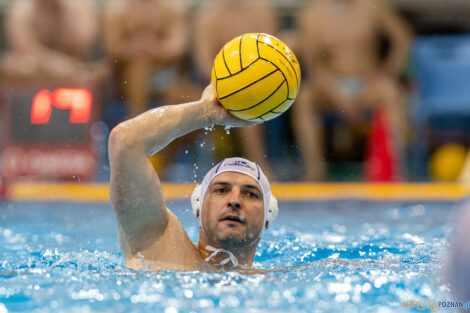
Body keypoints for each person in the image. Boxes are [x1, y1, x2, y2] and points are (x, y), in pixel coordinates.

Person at [108, 85, 278, 272]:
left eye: (251, 194)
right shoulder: (159, 245)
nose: (235, 201)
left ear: (268, 217)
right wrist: (206, 112)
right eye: (221, 190)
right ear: (198, 207)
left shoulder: (279, 282)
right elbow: (125, 142)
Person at [294, 0, 412, 180]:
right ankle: (314, 170)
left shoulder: (372, 6)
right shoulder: (312, 15)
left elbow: (402, 36)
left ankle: (393, 168)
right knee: (305, 98)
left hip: (368, 83)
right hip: (330, 85)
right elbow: (315, 65)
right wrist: (336, 94)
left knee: (389, 92)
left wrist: (390, 70)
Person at [193, 0, 279, 180]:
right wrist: (232, 83)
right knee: (244, 98)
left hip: (259, 84)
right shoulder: (209, 16)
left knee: (247, 96)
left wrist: (248, 80)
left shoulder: (262, 12)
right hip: (215, 85)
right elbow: (203, 65)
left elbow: (272, 57)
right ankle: (259, 165)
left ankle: (259, 162)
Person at [103, 0, 198, 118]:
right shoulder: (117, 10)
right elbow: (113, 47)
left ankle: (141, 124)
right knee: (139, 66)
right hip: (125, 80)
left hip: (165, 76)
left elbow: (178, 45)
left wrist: (154, 49)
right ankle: (137, 120)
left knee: (192, 100)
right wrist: (135, 49)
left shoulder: (172, 9)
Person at [2, 0, 102, 81]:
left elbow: (83, 41)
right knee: (24, 66)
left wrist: (64, 10)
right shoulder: (22, 10)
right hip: (33, 65)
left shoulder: (77, 6)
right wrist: (53, 64)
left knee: (88, 73)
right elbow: (25, 47)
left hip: (72, 64)